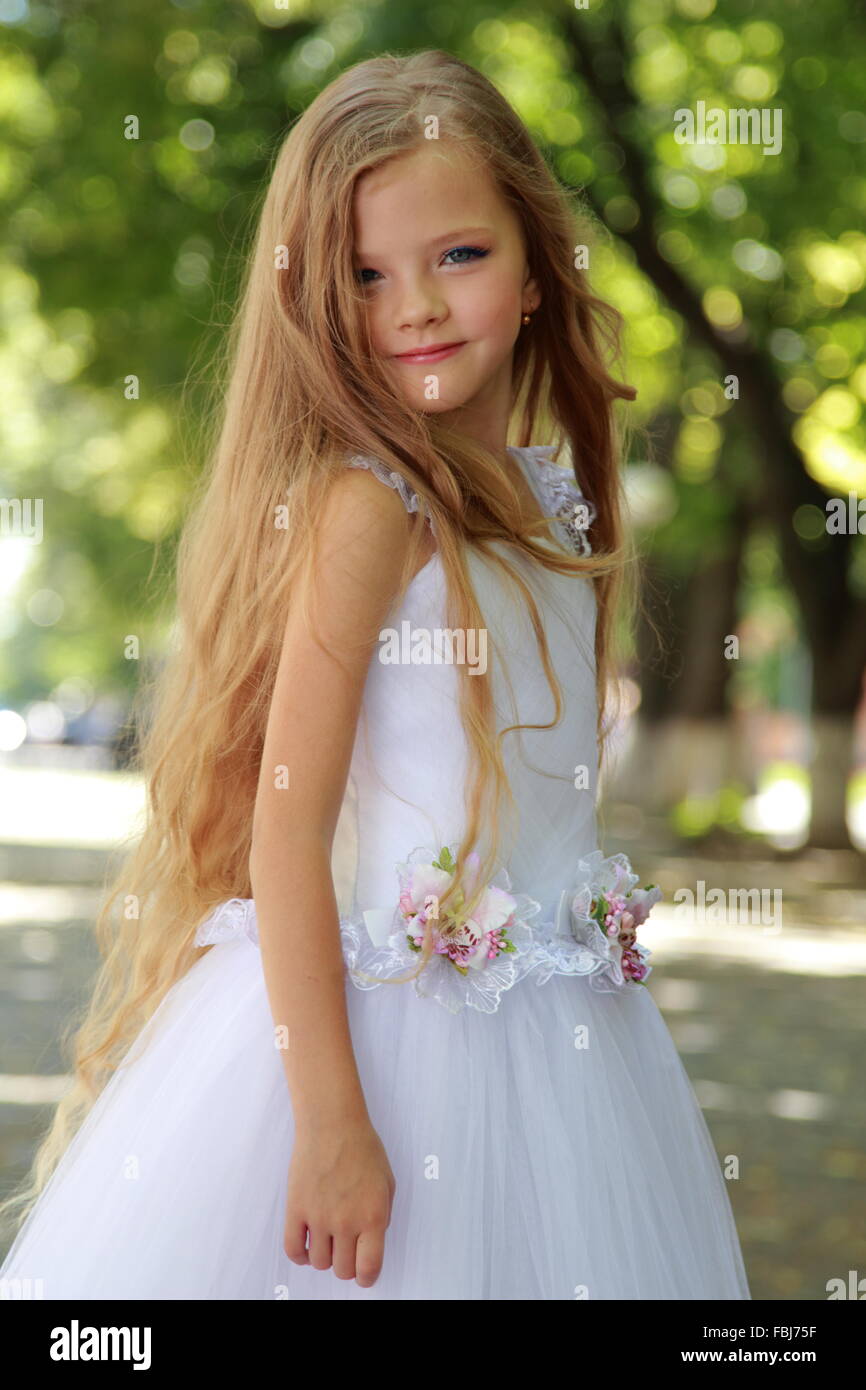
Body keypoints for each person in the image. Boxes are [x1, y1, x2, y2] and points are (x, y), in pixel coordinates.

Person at [0, 49, 750, 1300]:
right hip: (385, 1054)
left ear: (530, 271)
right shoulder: (369, 508)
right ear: (318, 300)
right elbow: (286, 835)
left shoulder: (555, 500)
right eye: (363, 275)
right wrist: (332, 1122)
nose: (412, 304)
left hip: (569, 1054)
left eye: (456, 254)